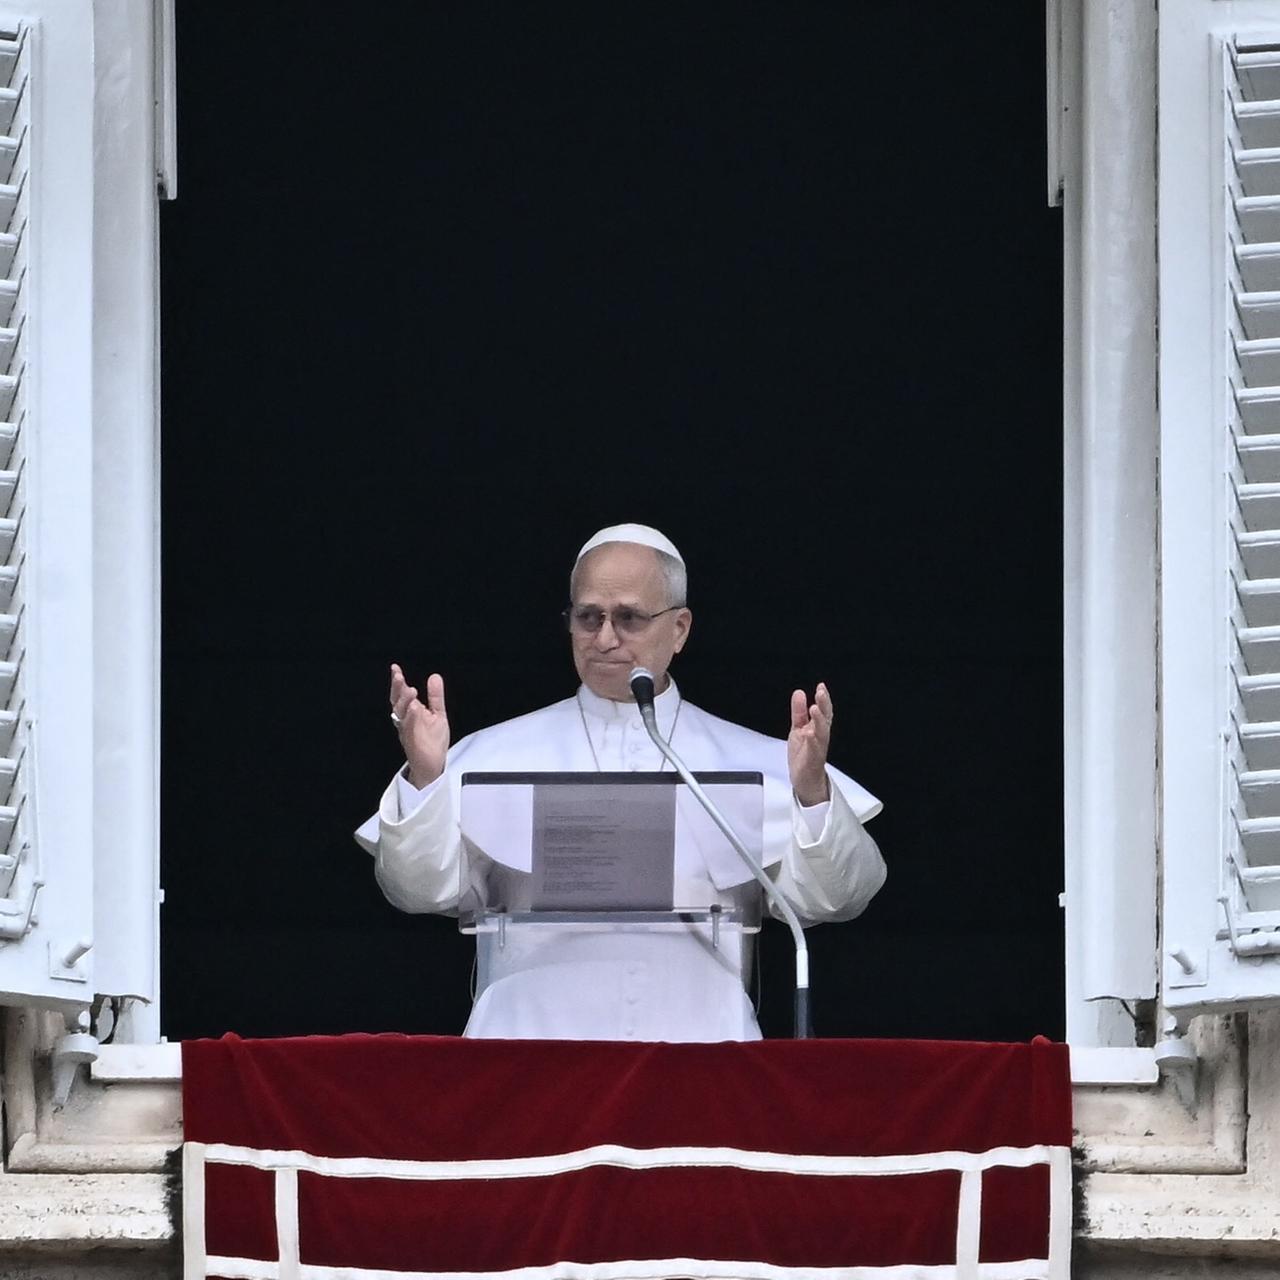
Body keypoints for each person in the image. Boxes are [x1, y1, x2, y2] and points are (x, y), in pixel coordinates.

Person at [355, 523, 885, 1040]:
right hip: (526, 1053)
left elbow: (836, 901)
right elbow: (416, 892)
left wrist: (813, 794)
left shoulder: (754, 761)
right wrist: (427, 779)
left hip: (702, 1057)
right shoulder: (491, 756)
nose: (605, 638)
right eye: (588, 617)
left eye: (629, 618)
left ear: (679, 629)